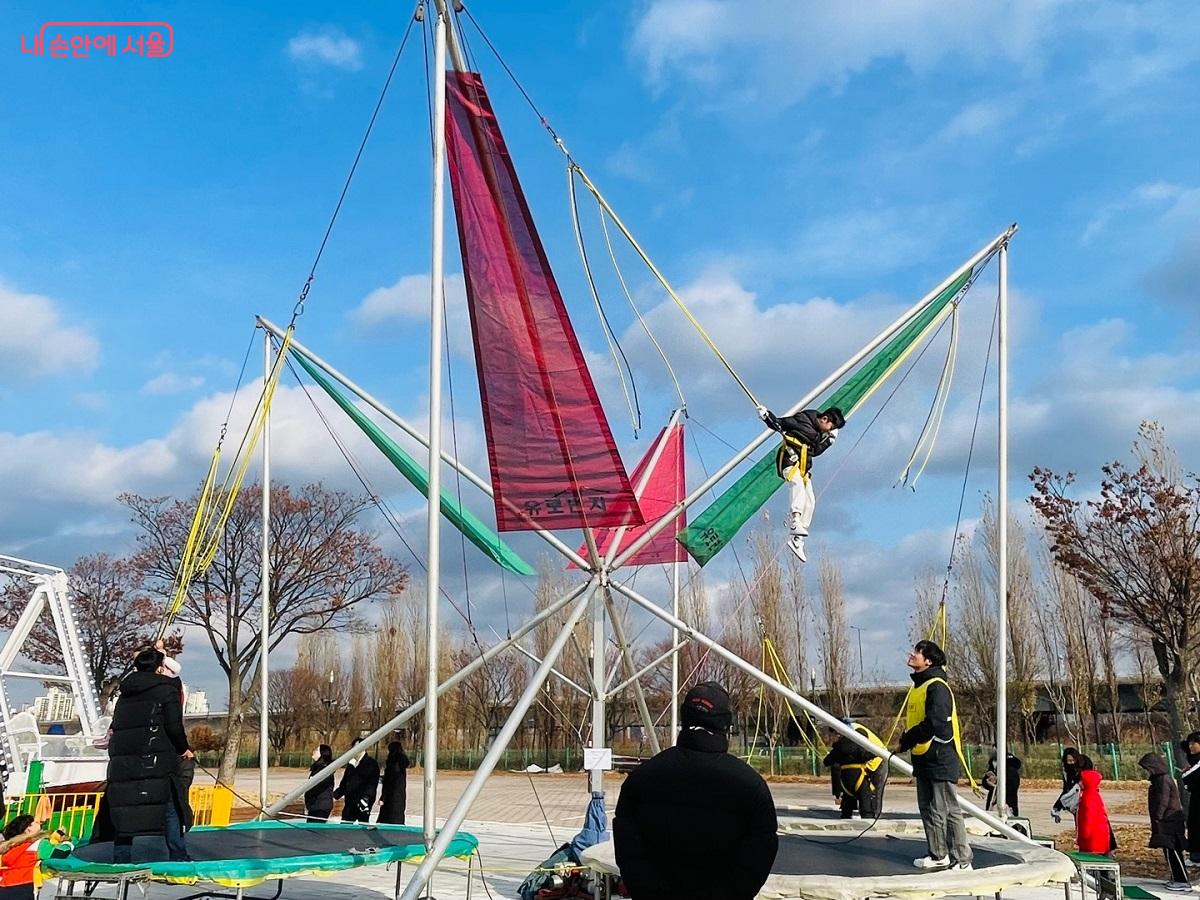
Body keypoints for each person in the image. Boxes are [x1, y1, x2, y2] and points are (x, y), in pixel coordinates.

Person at [614, 682, 778, 900]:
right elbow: (760, 852)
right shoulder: (750, 785)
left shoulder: (642, 778)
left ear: (685, 716)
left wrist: (647, 891)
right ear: (725, 723)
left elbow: (628, 850)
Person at [107, 646, 193, 862]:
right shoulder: (166, 690)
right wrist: (184, 749)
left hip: (125, 760)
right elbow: (174, 726)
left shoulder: (124, 694)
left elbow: (117, 727)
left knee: (125, 807)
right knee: (170, 806)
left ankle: (121, 856)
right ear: (159, 668)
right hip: (158, 760)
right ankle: (178, 854)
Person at [897, 639, 972, 871]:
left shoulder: (937, 686)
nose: (912, 654)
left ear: (928, 660)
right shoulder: (918, 687)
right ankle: (938, 854)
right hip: (923, 756)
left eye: (917, 652)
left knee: (946, 809)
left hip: (940, 755)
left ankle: (962, 859)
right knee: (928, 808)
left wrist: (907, 740)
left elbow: (936, 723)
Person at [756, 405, 845, 562]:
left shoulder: (819, 434)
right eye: (831, 427)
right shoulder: (802, 420)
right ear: (825, 419)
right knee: (796, 484)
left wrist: (829, 442)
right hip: (788, 461)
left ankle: (798, 540)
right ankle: (795, 520)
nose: (829, 430)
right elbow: (779, 424)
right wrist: (766, 415)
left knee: (810, 500)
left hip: (803, 467)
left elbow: (815, 451)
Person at [1140, 753, 1191, 891]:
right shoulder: (1159, 779)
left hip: (1169, 821)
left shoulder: (1163, 780)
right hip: (1166, 820)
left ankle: (1182, 880)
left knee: (1173, 851)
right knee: (1169, 851)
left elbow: (1163, 800)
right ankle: (1176, 877)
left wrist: (1158, 816)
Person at [823, 720, 888, 820]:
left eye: (834, 735)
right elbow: (863, 755)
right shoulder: (850, 741)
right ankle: (867, 815)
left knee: (872, 795)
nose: (833, 738)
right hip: (861, 770)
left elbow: (828, 761)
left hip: (878, 762)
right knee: (865, 796)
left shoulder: (858, 733)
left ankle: (871, 815)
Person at [1075, 756, 1116, 856]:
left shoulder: (1088, 797)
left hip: (1092, 839)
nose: (1079, 783)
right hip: (1100, 836)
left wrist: (1083, 836)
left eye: (1080, 781)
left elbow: (1088, 817)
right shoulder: (1094, 794)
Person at [333, 749, 380, 824]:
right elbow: (345, 782)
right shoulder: (351, 763)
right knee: (345, 826)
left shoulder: (371, 763)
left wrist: (366, 798)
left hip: (362, 803)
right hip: (349, 803)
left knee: (362, 827)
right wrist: (336, 795)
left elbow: (372, 784)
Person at [1178, 731, 1200, 866]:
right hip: (1196, 799)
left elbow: (1190, 777)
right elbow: (1183, 746)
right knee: (1194, 825)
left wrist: (1186, 773)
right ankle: (1195, 855)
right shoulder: (1194, 759)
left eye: (1194, 743)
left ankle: (1196, 856)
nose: (1191, 746)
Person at [378, 741, 410, 825]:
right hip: (400, 796)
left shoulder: (393, 763)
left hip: (391, 797)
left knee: (387, 820)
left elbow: (390, 781)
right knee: (397, 819)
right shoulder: (402, 763)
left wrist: (383, 798)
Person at [983, 749, 1023, 817]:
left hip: (1008, 803)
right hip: (993, 801)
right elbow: (985, 782)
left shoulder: (1011, 769)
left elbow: (1012, 787)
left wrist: (997, 784)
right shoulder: (992, 764)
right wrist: (988, 781)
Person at [305, 745, 336, 823]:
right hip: (314, 805)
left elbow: (316, 787)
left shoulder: (325, 769)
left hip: (321, 806)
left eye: (316, 750)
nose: (314, 751)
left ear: (323, 753)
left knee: (314, 831)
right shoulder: (317, 768)